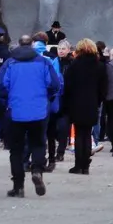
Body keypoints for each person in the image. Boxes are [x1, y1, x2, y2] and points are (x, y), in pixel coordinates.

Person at [0, 33, 62, 197]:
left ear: (19, 44)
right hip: (39, 110)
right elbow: (55, 84)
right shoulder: (44, 62)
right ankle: (37, 170)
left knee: (16, 150)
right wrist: (47, 97)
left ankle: (18, 187)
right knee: (38, 143)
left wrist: (7, 100)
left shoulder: (10, 63)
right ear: (32, 44)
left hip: (15, 111)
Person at [61, 39, 105, 175]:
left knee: (79, 134)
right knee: (87, 134)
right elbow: (103, 88)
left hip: (76, 103)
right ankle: (85, 166)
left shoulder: (75, 65)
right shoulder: (100, 66)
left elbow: (67, 86)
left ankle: (78, 165)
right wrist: (98, 102)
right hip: (92, 104)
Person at [47, 39, 74, 169]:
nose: (61, 51)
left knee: (63, 128)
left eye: (63, 49)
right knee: (52, 127)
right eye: (59, 48)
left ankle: (60, 152)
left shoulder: (72, 63)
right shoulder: (53, 62)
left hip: (67, 99)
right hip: (55, 97)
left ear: (69, 50)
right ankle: (52, 153)